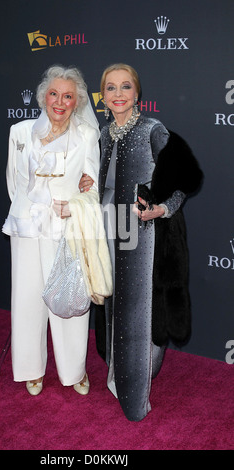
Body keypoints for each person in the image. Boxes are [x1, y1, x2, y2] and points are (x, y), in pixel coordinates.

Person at [92, 63, 203, 421]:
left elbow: (186, 180)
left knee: (139, 308)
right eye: (111, 88)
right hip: (110, 225)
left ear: (137, 93)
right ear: (103, 95)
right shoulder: (103, 134)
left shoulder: (152, 130)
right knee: (114, 302)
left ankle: (137, 385)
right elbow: (100, 184)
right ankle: (117, 373)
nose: (119, 94)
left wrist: (160, 210)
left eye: (126, 87)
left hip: (141, 229)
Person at [2, 65, 101, 396]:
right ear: (44, 95)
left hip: (67, 230)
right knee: (27, 299)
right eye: (54, 94)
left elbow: (93, 186)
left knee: (68, 300)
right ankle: (31, 368)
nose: (60, 102)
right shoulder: (20, 131)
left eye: (68, 96)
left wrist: (74, 203)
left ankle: (74, 371)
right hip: (27, 228)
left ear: (78, 102)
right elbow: (14, 183)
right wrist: (32, 210)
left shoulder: (87, 136)